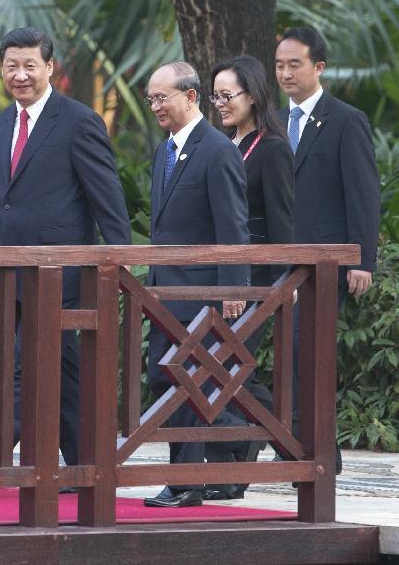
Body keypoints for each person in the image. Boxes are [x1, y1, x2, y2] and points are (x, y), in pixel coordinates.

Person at [0, 26, 131, 482]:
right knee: (62, 370)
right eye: (12, 66)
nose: (20, 75)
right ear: (1, 69)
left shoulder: (78, 121)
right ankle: (85, 467)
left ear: (50, 68)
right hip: (11, 270)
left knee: (25, 360)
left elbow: (107, 197)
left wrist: (118, 258)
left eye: (30, 65)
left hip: (63, 273)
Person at [141, 61, 250, 509]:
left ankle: (186, 482)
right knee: (164, 383)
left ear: (189, 96)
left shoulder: (217, 149)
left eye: (161, 97)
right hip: (164, 292)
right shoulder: (164, 150)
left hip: (200, 293)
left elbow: (233, 225)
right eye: (150, 99)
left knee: (186, 387)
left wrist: (234, 289)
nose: (155, 107)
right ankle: (238, 442)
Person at [275, 26, 380, 475]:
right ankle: (292, 447)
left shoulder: (345, 118)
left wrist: (362, 258)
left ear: (319, 66)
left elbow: (363, 193)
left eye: (294, 64)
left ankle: (321, 454)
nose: (285, 73)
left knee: (308, 351)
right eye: (279, 65)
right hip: (279, 262)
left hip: (327, 263)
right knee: (284, 353)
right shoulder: (274, 122)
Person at [202, 55, 294, 500]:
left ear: (252, 96)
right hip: (218, 277)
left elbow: (281, 222)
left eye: (227, 95)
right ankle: (241, 461)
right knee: (220, 370)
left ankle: (284, 438)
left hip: (256, 280)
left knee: (225, 369)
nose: (219, 103)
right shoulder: (223, 144)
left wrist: (282, 283)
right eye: (214, 95)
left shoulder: (272, 148)